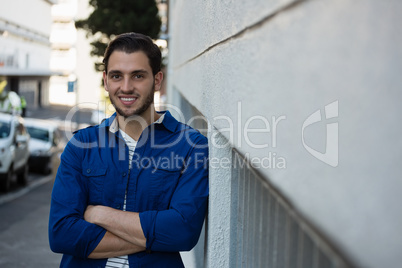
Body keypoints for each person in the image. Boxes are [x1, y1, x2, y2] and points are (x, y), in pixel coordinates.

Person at [48, 32, 209, 268]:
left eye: (138, 76)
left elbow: (182, 232)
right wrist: (156, 237)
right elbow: (62, 234)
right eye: (116, 76)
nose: (126, 87)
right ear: (105, 80)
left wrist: (101, 215)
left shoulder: (191, 146)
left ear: (157, 80)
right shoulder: (81, 146)